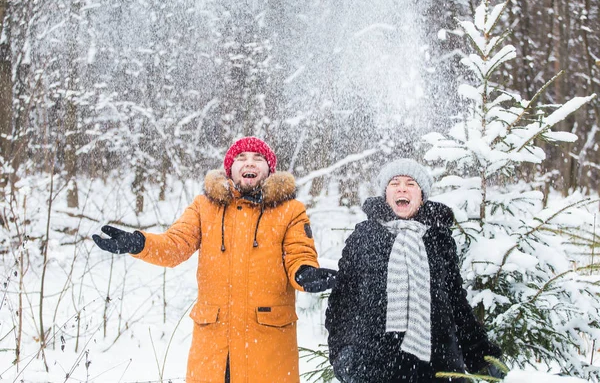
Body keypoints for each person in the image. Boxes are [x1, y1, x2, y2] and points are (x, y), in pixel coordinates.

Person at [93, 137, 337, 383]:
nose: (249, 163)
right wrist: (139, 243)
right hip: (214, 348)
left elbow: (299, 252)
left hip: (267, 346)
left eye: (258, 159)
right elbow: (175, 245)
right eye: (241, 158)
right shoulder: (204, 207)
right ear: (229, 169)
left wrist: (305, 273)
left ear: (270, 170)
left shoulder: (290, 210)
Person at [325, 158, 502, 383]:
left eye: (410, 183)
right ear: (385, 193)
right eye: (395, 183)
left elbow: (456, 303)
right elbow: (342, 302)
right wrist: (342, 352)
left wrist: (480, 356)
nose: (402, 188)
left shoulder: (439, 238)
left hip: (437, 364)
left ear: (421, 195)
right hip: (374, 363)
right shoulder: (364, 236)